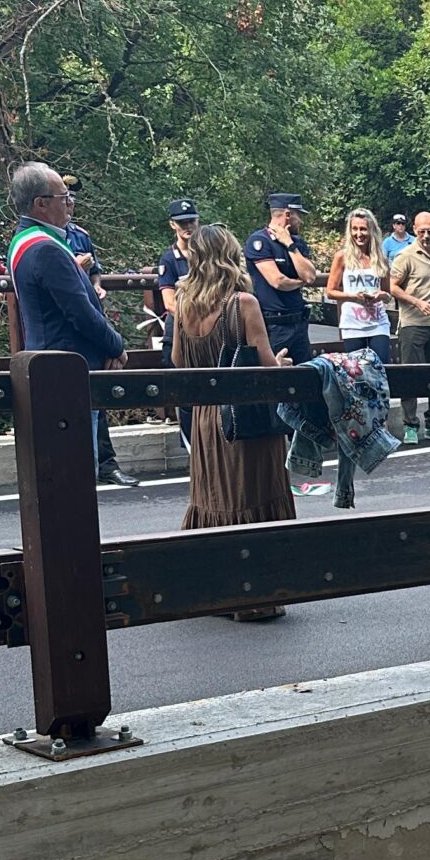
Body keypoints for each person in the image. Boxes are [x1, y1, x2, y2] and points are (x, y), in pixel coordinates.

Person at [170, 224, 296, 607]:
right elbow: (266, 367)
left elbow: (177, 360)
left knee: (213, 498)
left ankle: (212, 590)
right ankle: (257, 595)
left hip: (207, 420)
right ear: (231, 258)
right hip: (245, 420)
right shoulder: (242, 303)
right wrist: (283, 363)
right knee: (251, 494)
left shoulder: (184, 302)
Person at [5, 167, 127, 452]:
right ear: (41, 204)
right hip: (65, 370)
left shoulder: (26, 241)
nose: (70, 202)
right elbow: (79, 313)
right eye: (64, 196)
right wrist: (116, 345)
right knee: (75, 469)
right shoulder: (45, 249)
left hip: (54, 365)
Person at [58, 178, 138, 488]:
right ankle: (75, 476)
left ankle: (105, 463)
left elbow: (94, 278)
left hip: (91, 323)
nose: (70, 204)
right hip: (65, 334)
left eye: (73, 199)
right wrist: (77, 268)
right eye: (65, 197)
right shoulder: (44, 242)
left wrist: (96, 285)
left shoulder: (80, 236)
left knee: (97, 396)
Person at [387, 210, 430, 445]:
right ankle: (410, 425)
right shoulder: (404, 255)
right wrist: (416, 302)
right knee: (411, 375)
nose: (426, 236)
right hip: (412, 323)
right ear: (414, 230)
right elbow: (393, 287)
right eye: (422, 231)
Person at [243, 194, 319, 373]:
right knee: (274, 377)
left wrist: (290, 245)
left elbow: (310, 276)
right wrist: (300, 282)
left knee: (304, 378)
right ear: (287, 214)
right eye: (298, 215)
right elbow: (277, 281)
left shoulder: (297, 243)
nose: (300, 220)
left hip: (299, 322)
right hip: (273, 324)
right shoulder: (259, 241)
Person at [325, 209, 396, 367]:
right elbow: (330, 291)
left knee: (381, 368)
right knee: (356, 372)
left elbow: (388, 294)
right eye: (354, 229)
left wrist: (380, 296)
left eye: (363, 229)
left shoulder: (380, 258)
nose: (359, 234)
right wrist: (353, 296)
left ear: (371, 230)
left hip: (378, 323)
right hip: (352, 324)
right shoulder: (341, 257)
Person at [151, 199, 197, 348]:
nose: (188, 227)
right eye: (183, 223)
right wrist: (196, 320)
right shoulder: (168, 259)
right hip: (180, 328)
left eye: (191, 221)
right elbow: (170, 303)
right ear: (173, 225)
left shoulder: (208, 254)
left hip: (209, 329)